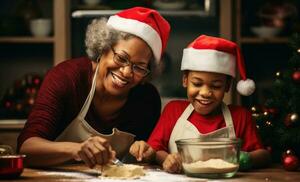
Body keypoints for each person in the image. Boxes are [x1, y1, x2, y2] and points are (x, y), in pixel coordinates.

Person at [17, 7, 170, 168]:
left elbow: (146, 158)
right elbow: (26, 149)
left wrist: (147, 152)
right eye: (121, 58)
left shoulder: (147, 100)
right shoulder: (67, 78)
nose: (126, 72)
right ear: (103, 47)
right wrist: (77, 149)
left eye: (139, 67)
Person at [130, 35, 271, 173]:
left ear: (227, 86)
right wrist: (168, 159)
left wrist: (243, 159)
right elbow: (155, 150)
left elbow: (264, 155)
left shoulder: (240, 116)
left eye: (216, 86)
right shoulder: (173, 111)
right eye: (197, 83)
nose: (205, 93)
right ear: (185, 80)